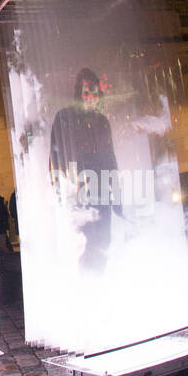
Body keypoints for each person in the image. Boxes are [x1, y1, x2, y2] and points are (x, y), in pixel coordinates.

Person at [49, 67, 121, 273]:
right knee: (83, 245)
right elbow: (55, 158)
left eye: (95, 91)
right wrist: (60, 193)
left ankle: (97, 282)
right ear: (78, 92)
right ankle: (87, 284)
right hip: (77, 194)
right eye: (87, 91)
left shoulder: (102, 121)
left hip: (101, 194)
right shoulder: (64, 119)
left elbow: (111, 159)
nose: (91, 96)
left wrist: (116, 195)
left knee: (103, 242)